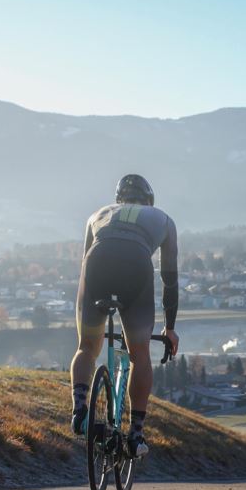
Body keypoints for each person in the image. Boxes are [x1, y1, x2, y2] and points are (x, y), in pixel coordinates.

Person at [70, 174, 179, 457]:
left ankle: (80, 411)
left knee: (85, 348)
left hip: (97, 263)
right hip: (136, 267)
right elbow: (170, 279)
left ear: (119, 199)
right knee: (139, 354)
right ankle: (136, 434)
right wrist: (170, 328)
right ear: (149, 200)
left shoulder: (98, 214)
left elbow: (85, 263)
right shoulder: (163, 218)